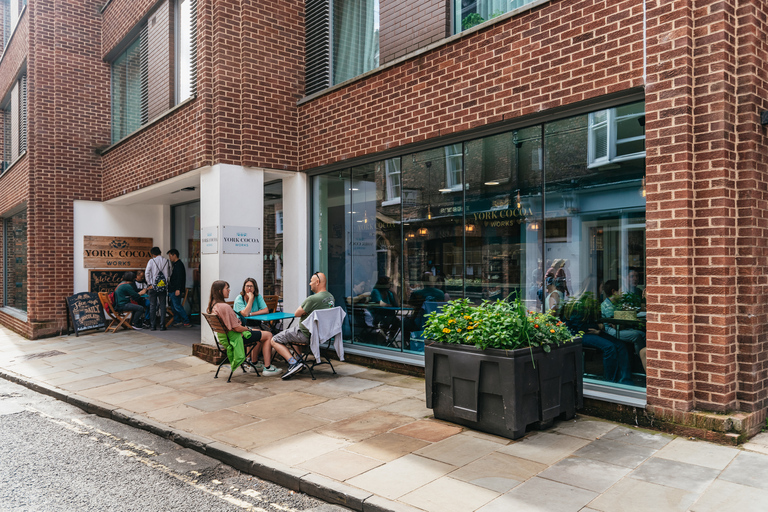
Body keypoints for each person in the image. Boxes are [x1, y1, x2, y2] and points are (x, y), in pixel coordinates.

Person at [271, 271, 335, 380]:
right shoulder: (331, 298)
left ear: (317, 282)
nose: (310, 284)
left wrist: (305, 311)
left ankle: (293, 363)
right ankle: (299, 360)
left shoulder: (313, 299)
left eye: (311, 281)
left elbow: (297, 313)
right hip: (322, 335)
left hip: (306, 335)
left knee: (274, 339)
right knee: (293, 331)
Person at [207, 280, 279, 376]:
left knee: (258, 332)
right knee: (268, 335)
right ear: (220, 291)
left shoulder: (213, 305)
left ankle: (254, 363)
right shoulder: (225, 307)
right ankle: (268, 368)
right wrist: (248, 329)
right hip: (236, 337)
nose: (229, 290)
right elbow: (237, 328)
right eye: (227, 288)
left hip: (227, 338)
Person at [601, 279, 646, 372]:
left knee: (642, 334)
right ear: (614, 291)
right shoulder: (607, 306)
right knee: (637, 336)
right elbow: (615, 324)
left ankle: (642, 357)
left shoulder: (616, 303)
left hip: (620, 329)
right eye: (621, 290)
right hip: (611, 331)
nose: (623, 293)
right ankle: (641, 360)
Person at [145, 247, 172, 331]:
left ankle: (153, 326)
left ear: (153, 254)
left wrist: (149, 283)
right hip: (163, 286)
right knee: (163, 305)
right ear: (160, 252)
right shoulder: (167, 261)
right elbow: (170, 273)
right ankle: (162, 325)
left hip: (153, 287)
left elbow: (147, 273)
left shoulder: (151, 261)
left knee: (152, 306)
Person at [166, 249, 192, 328]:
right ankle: (177, 321)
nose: (170, 258)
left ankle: (186, 321)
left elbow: (179, 278)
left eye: (170, 256)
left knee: (177, 306)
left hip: (175, 289)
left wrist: (178, 289)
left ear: (175, 255)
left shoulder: (179, 265)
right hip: (173, 289)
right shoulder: (175, 264)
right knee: (174, 306)